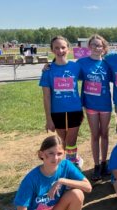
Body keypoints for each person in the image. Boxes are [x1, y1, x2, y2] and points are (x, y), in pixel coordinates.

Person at [40, 36, 84, 169]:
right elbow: (46, 97)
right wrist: (49, 119)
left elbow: (93, 74)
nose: (60, 50)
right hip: (57, 111)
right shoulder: (48, 70)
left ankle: (70, 166)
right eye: (57, 48)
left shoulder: (76, 67)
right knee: (62, 141)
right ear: (52, 50)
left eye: (63, 47)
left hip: (75, 109)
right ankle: (70, 161)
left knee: (71, 141)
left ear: (68, 49)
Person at [77, 34, 112, 180]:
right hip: (90, 105)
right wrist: (50, 65)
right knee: (95, 135)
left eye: (99, 45)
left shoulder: (107, 64)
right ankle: (96, 165)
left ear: (104, 48)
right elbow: (66, 69)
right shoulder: (82, 62)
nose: (97, 48)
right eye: (94, 45)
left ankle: (104, 163)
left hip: (104, 104)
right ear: (89, 47)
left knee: (104, 134)